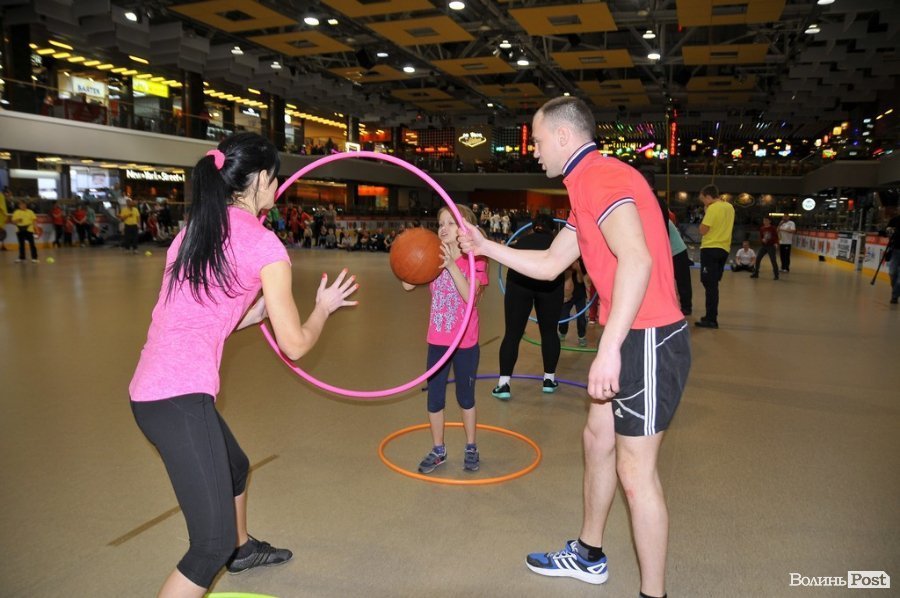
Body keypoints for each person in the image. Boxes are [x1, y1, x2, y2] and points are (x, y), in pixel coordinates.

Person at [459, 97, 689, 598]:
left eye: (539, 140)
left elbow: (637, 261)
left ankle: (654, 593)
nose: (534, 150)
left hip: (647, 337)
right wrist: (485, 246)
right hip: (629, 333)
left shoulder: (600, 179)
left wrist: (608, 347)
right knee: (596, 440)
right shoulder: (583, 184)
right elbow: (548, 264)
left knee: (635, 472)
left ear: (564, 137)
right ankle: (588, 554)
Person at [129, 133, 359, 598]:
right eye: (274, 178)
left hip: (152, 389)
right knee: (207, 547)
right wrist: (322, 309)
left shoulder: (193, 232)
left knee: (235, 465)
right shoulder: (263, 245)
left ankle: (242, 550)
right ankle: (226, 548)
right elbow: (295, 345)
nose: (278, 187)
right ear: (258, 179)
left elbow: (195, 316)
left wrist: (251, 315)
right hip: (179, 396)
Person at [402, 205, 488, 475]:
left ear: (465, 229)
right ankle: (438, 449)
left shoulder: (476, 260)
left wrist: (451, 265)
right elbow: (407, 284)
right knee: (435, 398)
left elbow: (470, 297)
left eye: (451, 223)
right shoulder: (433, 257)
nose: (443, 228)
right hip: (438, 341)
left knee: (465, 397)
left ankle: (471, 446)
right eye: (440, 223)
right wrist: (409, 257)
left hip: (465, 343)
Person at [492, 213, 564, 400]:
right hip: (550, 286)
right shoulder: (557, 245)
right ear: (553, 229)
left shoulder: (521, 241)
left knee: (512, 334)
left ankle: (504, 383)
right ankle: (549, 380)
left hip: (519, 284)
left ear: (532, 227)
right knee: (549, 333)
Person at [696, 184, 734, 329]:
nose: (703, 203)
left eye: (703, 199)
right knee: (713, 284)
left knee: (709, 285)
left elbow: (703, 230)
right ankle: (710, 316)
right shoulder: (729, 207)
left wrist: (706, 212)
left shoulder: (712, 208)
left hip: (710, 248)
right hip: (724, 249)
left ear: (708, 196)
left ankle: (711, 319)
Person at [558, 259, 589, 346]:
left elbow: (581, 280)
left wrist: (578, 269)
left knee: (581, 318)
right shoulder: (563, 262)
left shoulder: (581, 262)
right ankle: (562, 332)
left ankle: (581, 336)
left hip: (580, 295)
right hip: (567, 295)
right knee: (563, 318)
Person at [885, 208, 900, 304]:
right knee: (892, 273)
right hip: (895, 250)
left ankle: (894, 296)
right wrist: (889, 231)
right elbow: (887, 232)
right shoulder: (894, 220)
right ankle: (896, 291)